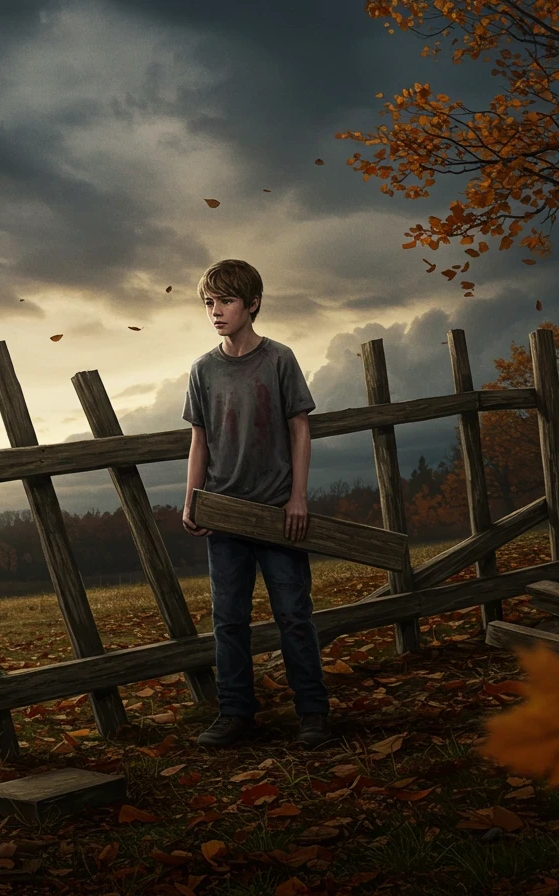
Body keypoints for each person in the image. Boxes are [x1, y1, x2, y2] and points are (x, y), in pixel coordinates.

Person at [181, 259, 332, 749]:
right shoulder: (203, 369)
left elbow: (300, 429)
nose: (216, 312)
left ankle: (312, 713)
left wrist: (298, 497)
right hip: (224, 512)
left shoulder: (279, 359)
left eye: (226, 301)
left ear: (252, 304)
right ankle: (236, 714)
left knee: (293, 612)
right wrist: (193, 501)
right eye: (209, 303)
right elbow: (199, 441)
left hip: (276, 510)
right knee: (228, 619)